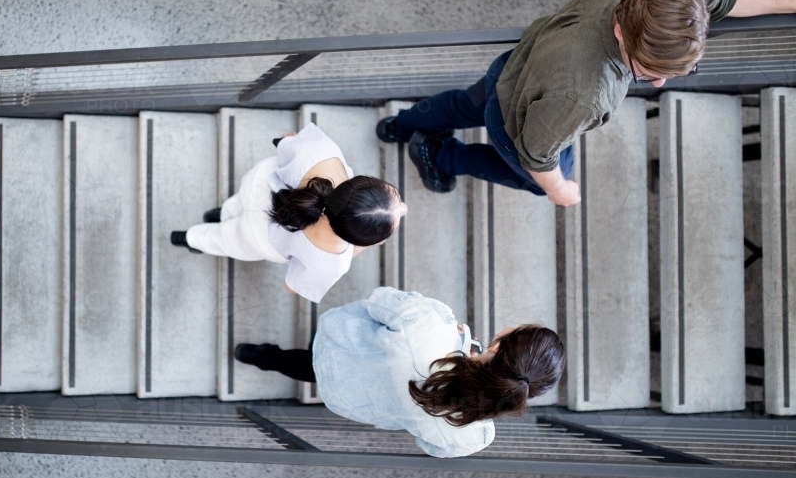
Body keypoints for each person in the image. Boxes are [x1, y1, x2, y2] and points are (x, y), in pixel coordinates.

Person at [376, 0, 796, 205]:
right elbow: (535, 153)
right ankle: (439, 155)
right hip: (518, 117)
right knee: (536, 183)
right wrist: (561, 190)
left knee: (462, 104)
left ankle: (403, 124)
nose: (661, 84)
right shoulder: (586, 96)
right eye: (648, 71)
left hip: (513, 65)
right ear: (619, 31)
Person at [234, 287, 565, 458]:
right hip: (347, 396)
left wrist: (451, 335)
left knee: (304, 357)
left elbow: (379, 300)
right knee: (309, 369)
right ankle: (258, 356)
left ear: (498, 346)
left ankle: (258, 355)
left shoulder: (433, 322)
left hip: (340, 343)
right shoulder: (474, 436)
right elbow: (431, 447)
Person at [171, 122, 408, 303]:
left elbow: (285, 141)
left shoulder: (325, 151)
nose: (404, 208)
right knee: (223, 239)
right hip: (258, 237)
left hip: (259, 187)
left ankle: (222, 213)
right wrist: (361, 246)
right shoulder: (334, 263)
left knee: (237, 205)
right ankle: (190, 239)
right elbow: (291, 286)